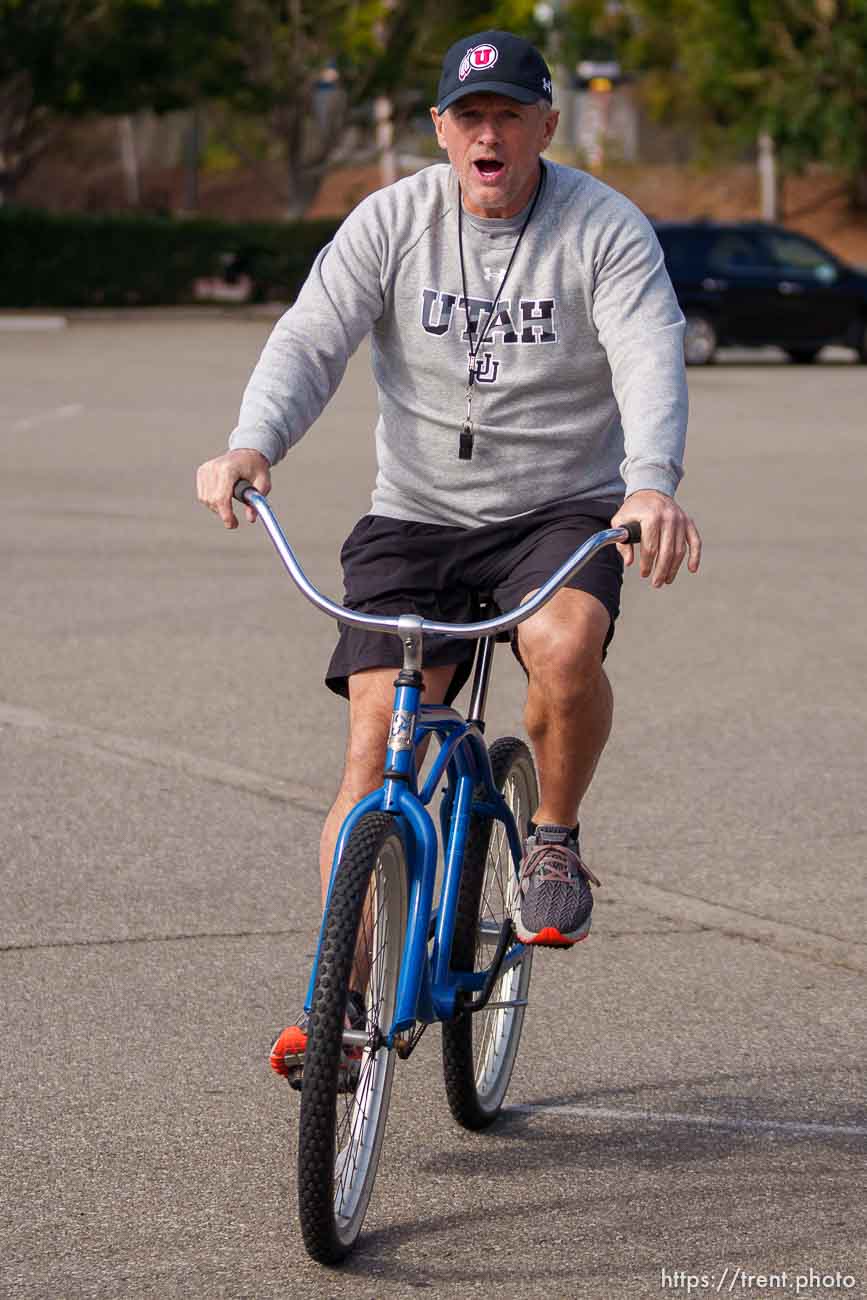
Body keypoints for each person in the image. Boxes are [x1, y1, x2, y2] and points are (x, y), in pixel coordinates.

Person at [197, 29, 702, 1078]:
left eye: (510, 115)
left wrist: (652, 481)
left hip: (556, 509)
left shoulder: (602, 228)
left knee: (565, 652)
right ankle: (336, 999)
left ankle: (554, 834)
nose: (489, 134)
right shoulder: (392, 220)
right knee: (374, 744)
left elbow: (650, 350)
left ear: (545, 127)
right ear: (440, 130)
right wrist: (253, 440)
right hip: (414, 515)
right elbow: (311, 335)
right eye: (470, 117)